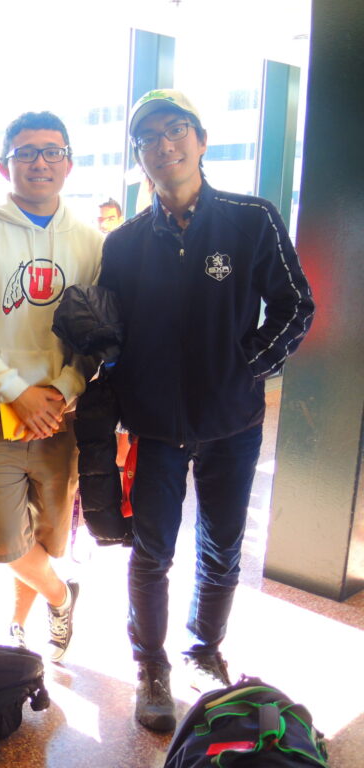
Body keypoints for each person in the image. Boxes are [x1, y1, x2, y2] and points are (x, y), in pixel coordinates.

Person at [100, 89, 314, 732]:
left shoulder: (252, 218)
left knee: (221, 547)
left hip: (232, 423)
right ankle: (150, 666)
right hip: (156, 427)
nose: (163, 145)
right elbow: (112, 337)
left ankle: (203, 649)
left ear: (200, 140)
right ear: (139, 155)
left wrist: (248, 367)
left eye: (175, 130)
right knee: (151, 551)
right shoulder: (125, 243)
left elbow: (295, 305)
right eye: (148, 138)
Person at [0, 111, 103, 661]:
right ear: (4, 165)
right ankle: (61, 596)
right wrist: (17, 391)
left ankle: (17, 625)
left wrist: (62, 389)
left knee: (46, 537)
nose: (40, 162)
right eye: (26, 152)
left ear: (69, 163)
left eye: (52, 151)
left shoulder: (90, 242)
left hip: (60, 417)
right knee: (8, 542)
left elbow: (97, 333)